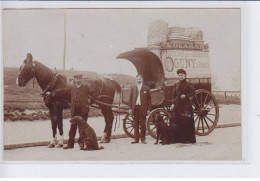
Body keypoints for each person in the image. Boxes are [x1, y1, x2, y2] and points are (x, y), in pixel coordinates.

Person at [63, 74, 98, 149]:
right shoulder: (72, 87)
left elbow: (94, 94)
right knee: (72, 128)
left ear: (81, 79)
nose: (78, 80)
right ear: (74, 80)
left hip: (83, 110)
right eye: (77, 79)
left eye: (80, 78)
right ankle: (70, 144)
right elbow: (63, 92)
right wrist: (52, 93)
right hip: (74, 110)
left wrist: (90, 100)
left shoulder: (86, 86)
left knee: (82, 129)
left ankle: (81, 144)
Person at [171, 69, 196, 143]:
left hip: (186, 106)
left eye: (182, 75)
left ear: (185, 75)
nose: (180, 76)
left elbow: (193, 93)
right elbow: (173, 95)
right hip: (178, 105)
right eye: (179, 75)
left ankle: (187, 139)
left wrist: (185, 95)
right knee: (178, 121)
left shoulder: (189, 84)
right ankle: (178, 139)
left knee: (186, 122)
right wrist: (172, 103)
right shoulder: (176, 84)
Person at [128, 75, 152, 144]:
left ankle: (143, 139)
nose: (138, 80)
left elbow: (149, 100)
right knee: (135, 124)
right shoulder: (133, 88)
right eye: (137, 79)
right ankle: (136, 139)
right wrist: (130, 108)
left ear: (142, 80)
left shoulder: (146, 88)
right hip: (135, 108)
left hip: (143, 108)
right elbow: (130, 99)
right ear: (136, 80)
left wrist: (148, 109)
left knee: (142, 124)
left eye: (140, 79)